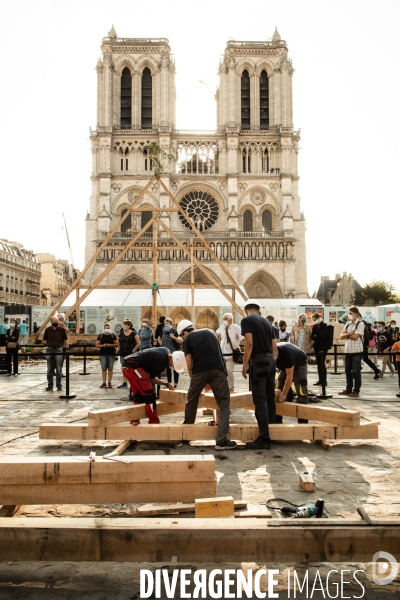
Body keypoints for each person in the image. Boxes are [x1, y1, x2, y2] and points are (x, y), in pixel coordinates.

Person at [177, 319, 236, 450]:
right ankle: (221, 441)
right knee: (224, 404)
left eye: (181, 335)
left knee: (192, 401)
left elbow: (189, 364)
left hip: (199, 372)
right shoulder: (210, 332)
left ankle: (186, 436)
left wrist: (196, 383)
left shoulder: (187, 339)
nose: (182, 338)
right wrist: (210, 380)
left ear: (185, 332)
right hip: (219, 370)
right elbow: (216, 354)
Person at [241, 300, 277, 450]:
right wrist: (271, 361)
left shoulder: (247, 320)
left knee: (260, 399)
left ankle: (264, 437)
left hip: (259, 361)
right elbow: (275, 346)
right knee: (270, 397)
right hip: (270, 361)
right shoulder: (268, 323)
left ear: (246, 310)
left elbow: (249, 344)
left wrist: (245, 365)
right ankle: (272, 431)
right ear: (258, 310)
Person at [122, 347, 182, 425]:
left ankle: (134, 419)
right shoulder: (162, 363)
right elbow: (151, 379)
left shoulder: (165, 350)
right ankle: (154, 422)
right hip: (135, 368)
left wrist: (166, 384)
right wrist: (166, 384)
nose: (172, 366)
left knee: (139, 395)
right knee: (150, 394)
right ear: (172, 360)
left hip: (126, 366)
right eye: (173, 364)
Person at [275, 342, 309, 424]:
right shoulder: (270, 355)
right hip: (285, 366)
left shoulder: (286, 353)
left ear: (276, 350)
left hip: (299, 363)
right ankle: (277, 418)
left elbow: (290, 376)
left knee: (301, 389)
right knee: (278, 387)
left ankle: (303, 420)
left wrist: (284, 394)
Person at [339, 306, 365, 397]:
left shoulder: (360, 324)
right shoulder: (348, 323)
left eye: (351, 314)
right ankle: (348, 388)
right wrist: (350, 333)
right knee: (347, 370)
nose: (349, 315)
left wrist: (347, 335)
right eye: (348, 313)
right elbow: (341, 336)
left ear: (356, 314)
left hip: (357, 350)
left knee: (356, 371)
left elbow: (356, 337)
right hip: (348, 350)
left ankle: (356, 390)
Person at [216, 312, 243, 392]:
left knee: (229, 371)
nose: (224, 320)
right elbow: (217, 333)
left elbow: (242, 337)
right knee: (221, 371)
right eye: (223, 319)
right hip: (222, 352)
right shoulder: (222, 327)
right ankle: (223, 387)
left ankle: (231, 388)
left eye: (225, 319)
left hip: (231, 353)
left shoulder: (236, 328)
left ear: (230, 319)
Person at [157, 317, 183, 391]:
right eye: (165, 323)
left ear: (171, 324)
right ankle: (169, 383)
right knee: (168, 369)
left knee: (175, 368)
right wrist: (161, 343)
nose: (166, 325)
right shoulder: (164, 331)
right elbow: (159, 337)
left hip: (174, 352)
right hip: (167, 353)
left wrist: (174, 337)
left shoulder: (175, 331)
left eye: (167, 323)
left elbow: (180, 341)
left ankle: (175, 384)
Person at [43, 317, 68, 391]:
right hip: (50, 349)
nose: (56, 322)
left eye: (57, 321)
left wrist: (62, 347)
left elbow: (65, 340)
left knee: (59, 369)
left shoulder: (62, 330)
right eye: (54, 321)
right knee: (50, 369)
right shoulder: (47, 330)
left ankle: (59, 385)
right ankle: (50, 385)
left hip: (58, 349)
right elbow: (45, 340)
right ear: (51, 322)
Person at [117, 319, 140, 388]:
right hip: (123, 353)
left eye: (125, 325)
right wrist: (118, 349)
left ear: (129, 326)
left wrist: (134, 349)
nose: (124, 326)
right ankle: (125, 383)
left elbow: (138, 343)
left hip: (131, 354)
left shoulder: (133, 333)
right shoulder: (121, 334)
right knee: (124, 368)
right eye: (123, 325)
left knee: (131, 368)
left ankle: (133, 382)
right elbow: (119, 342)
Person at [96, 322, 118, 388]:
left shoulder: (113, 335)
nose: (107, 329)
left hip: (111, 354)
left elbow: (116, 344)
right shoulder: (100, 336)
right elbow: (97, 345)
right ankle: (104, 382)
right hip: (103, 354)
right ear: (104, 328)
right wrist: (103, 345)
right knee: (104, 368)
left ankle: (109, 382)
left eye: (108, 328)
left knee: (110, 368)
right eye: (106, 328)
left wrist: (110, 345)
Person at [310, 312, 330, 387]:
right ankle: (320, 379)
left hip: (323, 347)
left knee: (322, 363)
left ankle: (324, 380)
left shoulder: (324, 325)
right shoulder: (315, 326)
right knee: (318, 364)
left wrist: (316, 336)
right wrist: (317, 336)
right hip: (317, 347)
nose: (314, 321)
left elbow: (323, 336)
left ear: (319, 318)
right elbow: (312, 336)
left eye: (315, 319)